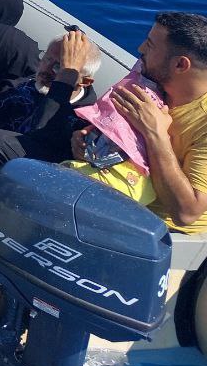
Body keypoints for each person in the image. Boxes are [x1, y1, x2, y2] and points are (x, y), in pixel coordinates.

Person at [73, 12, 207, 234]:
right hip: (108, 199)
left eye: (151, 45)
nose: (140, 48)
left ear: (181, 65)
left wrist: (155, 134)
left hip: (157, 236)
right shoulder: (151, 83)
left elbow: (187, 213)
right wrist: (88, 142)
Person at [0, 29, 99, 165]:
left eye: (59, 66)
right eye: (47, 59)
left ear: (85, 82)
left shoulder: (81, 125)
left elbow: (37, 144)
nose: (47, 69)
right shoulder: (20, 85)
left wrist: (64, 80)